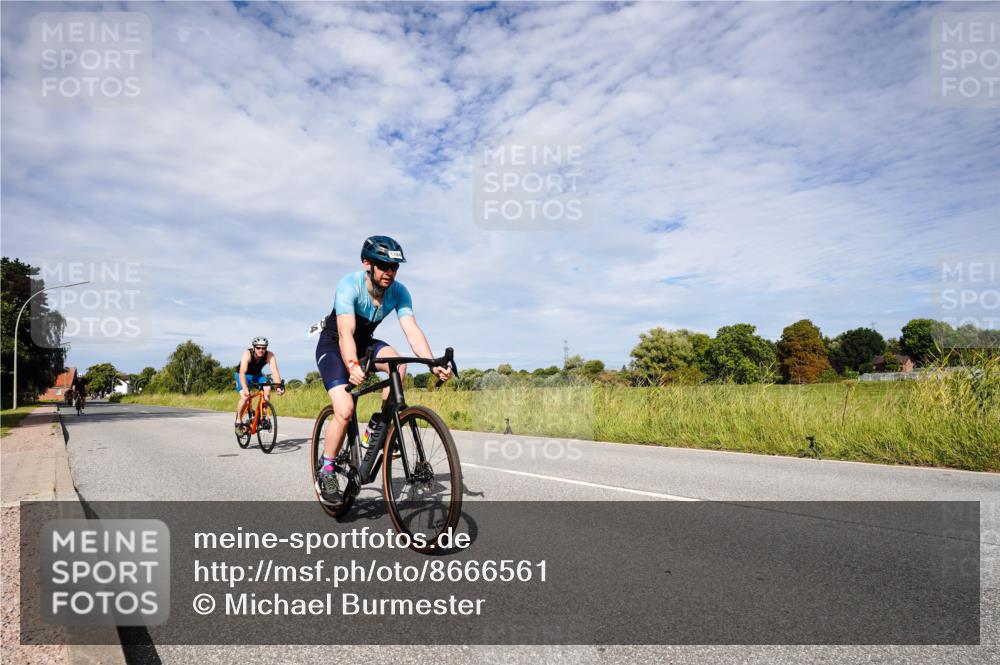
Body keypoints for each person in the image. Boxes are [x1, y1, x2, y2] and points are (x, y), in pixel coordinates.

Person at [314, 235, 451, 501]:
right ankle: (327, 469)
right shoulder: (349, 286)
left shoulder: (399, 292)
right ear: (368, 263)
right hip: (334, 345)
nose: (390, 272)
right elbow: (345, 332)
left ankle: (375, 429)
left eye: (395, 267)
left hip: (365, 344)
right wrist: (352, 365)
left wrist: (433, 362)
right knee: (344, 410)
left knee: (398, 366)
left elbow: (411, 331)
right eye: (384, 265)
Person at [235, 337, 283, 432]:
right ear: (254, 347)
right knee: (245, 397)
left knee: (267, 388)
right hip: (243, 375)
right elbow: (242, 372)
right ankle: (238, 421)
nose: (261, 350)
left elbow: (275, 372)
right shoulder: (247, 354)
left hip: (257, 375)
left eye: (264, 348)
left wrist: (278, 386)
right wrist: (245, 389)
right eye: (258, 347)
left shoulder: (270, 355)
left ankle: (263, 416)